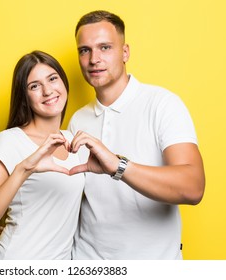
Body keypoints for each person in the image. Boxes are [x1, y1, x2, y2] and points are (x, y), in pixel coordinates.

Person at [67, 10, 205, 259]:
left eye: (105, 47)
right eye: (84, 50)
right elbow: (65, 194)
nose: (94, 59)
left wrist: (118, 167)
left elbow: (193, 186)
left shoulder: (162, 104)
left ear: (125, 52)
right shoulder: (78, 120)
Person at [0, 50, 85, 259]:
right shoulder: (11, 140)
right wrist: (24, 169)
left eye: (52, 79)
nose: (48, 90)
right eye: (34, 86)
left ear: (63, 82)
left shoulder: (73, 141)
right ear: (25, 97)